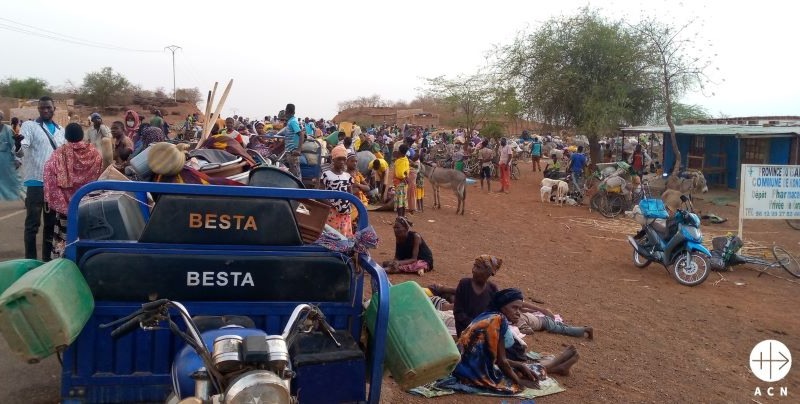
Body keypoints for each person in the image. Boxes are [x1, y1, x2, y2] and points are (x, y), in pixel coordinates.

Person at [452, 288, 580, 393]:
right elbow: (501, 362)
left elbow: (494, 357)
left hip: (461, 366)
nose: (518, 313)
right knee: (519, 373)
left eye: (519, 309)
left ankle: (557, 367)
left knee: (520, 367)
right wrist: (519, 382)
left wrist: (519, 364)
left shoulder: (488, 315)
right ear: (502, 306)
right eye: (514, 308)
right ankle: (555, 366)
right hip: (472, 373)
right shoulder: (498, 320)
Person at [17, 96, 66, 261]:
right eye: (42, 108)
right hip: (35, 183)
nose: (45, 110)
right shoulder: (30, 126)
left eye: (48, 108)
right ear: (38, 109)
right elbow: (23, 146)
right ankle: (30, 260)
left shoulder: (61, 130)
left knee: (51, 226)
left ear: (54, 109)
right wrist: (17, 147)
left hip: (54, 185)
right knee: (32, 225)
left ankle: (47, 261)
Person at [43, 123, 102, 259]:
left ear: (66, 136)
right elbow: (98, 172)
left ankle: (63, 266)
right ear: (82, 135)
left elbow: (49, 174)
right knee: (87, 235)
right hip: (88, 205)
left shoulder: (60, 153)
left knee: (65, 238)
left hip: (66, 208)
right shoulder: (93, 152)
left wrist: (58, 201)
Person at [453, 254, 502, 336]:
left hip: (484, 333)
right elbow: (458, 312)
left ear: (488, 272)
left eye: (478, 267)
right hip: (465, 332)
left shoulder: (492, 289)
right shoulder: (464, 284)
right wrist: (475, 326)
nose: (473, 270)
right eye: (474, 266)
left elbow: (494, 314)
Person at [321, 146, 354, 237]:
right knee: (332, 235)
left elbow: (350, 194)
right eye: (339, 159)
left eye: (344, 159)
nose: (342, 162)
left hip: (345, 213)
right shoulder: (326, 175)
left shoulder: (347, 176)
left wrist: (349, 205)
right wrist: (330, 206)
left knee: (344, 235)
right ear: (333, 160)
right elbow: (319, 194)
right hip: (331, 213)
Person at [0, 111, 23, 200]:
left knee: (15, 182)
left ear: (1, 119)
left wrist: (17, 159)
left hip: (7, 162)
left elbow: (15, 145)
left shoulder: (8, 130)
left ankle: (26, 198)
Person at [283, 103, 303, 178]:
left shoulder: (293, 122)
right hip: (289, 150)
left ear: (286, 111)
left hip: (293, 151)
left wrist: (298, 150)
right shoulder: (290, 121)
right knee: (293, 171)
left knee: (296, 174)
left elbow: (301, 134)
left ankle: (299, 189)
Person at [393, 144, 410, 217]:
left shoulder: (399, 161)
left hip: (400, 183)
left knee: (400, 202)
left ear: (400, 151)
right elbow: (406, 171)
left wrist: (403, 177)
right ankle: (402, 217)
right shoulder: (406, 159)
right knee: (403, 201)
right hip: (405, 183)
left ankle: (400, 217)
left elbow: (399, 174)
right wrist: (405, 177)